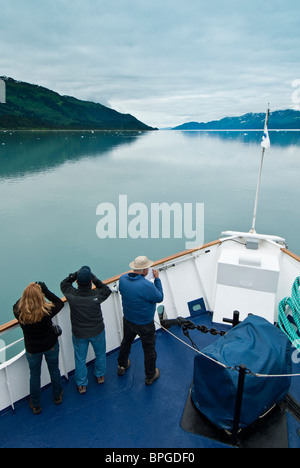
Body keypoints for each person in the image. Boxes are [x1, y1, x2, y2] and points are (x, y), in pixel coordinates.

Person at [13, 282, 64, 415]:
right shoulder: (47, 311)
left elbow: (16, 305)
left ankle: (36, 405)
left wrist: (28, 294)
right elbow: (59, 302)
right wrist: (45, 290)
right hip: (50, 345)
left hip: (32, 350)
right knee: (54, 370)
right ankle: (57, 396)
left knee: (34, 376)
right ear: (40, 297)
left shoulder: (19, 313)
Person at [60, 266, 111, 394]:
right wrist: (96, 280)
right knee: (100, 355)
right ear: (90, 282)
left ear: (77, 282)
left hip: (79, 334)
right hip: (97, 331)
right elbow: (107, 290)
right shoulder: (97, 294)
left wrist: (74, 275)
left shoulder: (71, 295)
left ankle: (81, 384)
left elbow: (63, 284)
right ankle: (100, 376)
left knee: (80, 359)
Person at [117, 256, 164, 385]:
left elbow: (124, 290)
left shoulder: (122, 279)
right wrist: (157, 279)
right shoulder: (147, 285)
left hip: (128, 320)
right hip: (145, 324)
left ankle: (122, 365)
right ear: (144, 271)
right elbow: (159, 297)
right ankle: (150, 375)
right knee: (149, 350)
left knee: (126, 342)